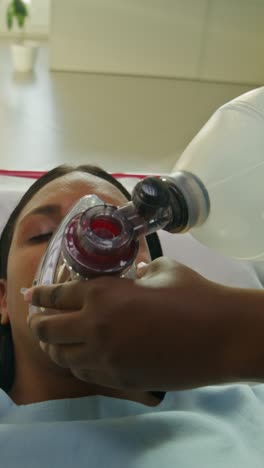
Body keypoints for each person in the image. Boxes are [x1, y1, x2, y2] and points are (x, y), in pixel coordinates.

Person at [1, 164, 264, 468]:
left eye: (120, 229)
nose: (80, 241)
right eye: (42, 234)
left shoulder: (246, 399)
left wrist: (232, 330)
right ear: (3, 299)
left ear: (155, 276)